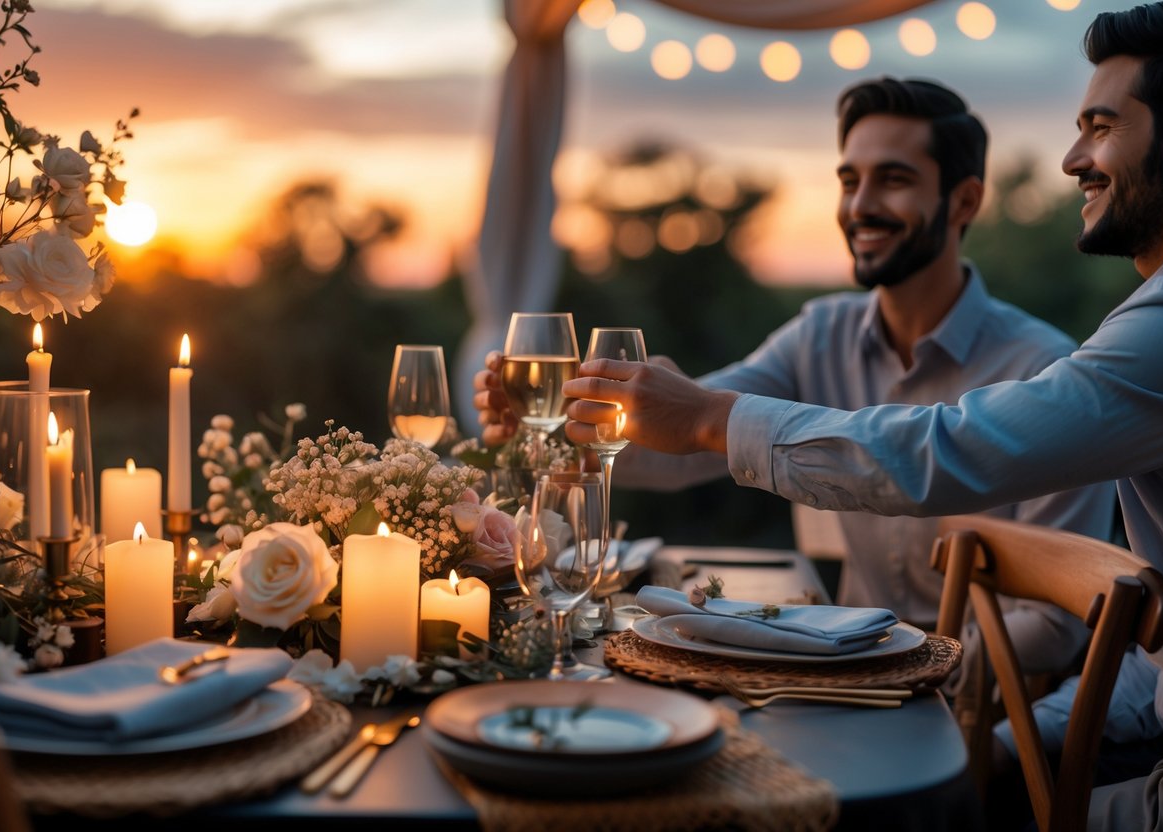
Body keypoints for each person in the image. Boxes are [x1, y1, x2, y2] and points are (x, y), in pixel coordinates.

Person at [562, 4, 1163, 828]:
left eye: (1101, 128)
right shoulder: (821, 329)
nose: (1073, 159)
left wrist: (714, 416)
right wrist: (578, 425)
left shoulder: (1157, 331)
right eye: (848, 180)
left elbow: (947, 453)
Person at [476, 77, 1115, 681]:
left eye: (893, 180)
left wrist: (921, 674)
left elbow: (1055, 625)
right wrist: (556, 426)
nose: (861, 206)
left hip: (979, 712)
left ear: (965, 199)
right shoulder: (821, 333)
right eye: (849, 180)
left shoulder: (1041, 365)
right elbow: (688, 444)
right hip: (839, 679)